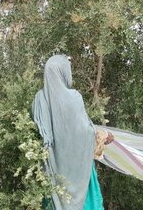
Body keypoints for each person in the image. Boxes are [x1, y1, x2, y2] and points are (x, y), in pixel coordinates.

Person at [32, 55, 113, 210]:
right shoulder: (74, 98)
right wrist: (102, 135)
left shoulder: (39, 99)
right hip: (80, 171)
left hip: (52, 173)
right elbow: (83, 133)